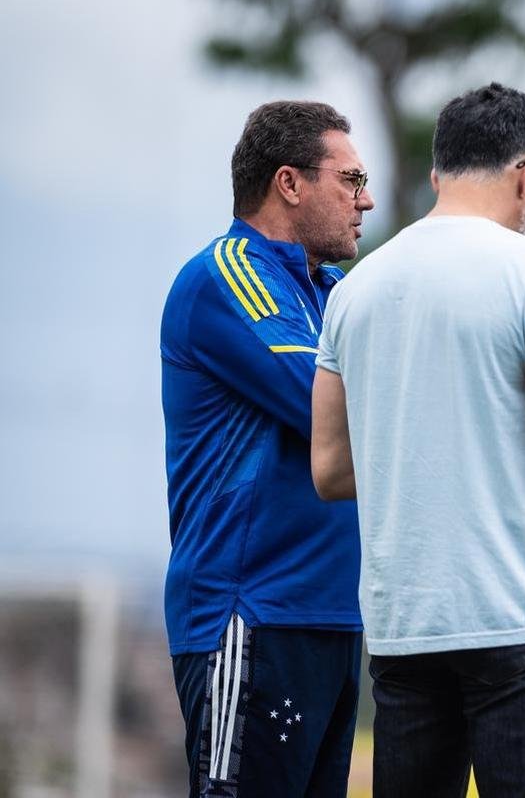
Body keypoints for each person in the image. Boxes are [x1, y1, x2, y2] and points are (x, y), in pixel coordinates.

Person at [311, 82, 525, 797]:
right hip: (519, 627)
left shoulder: (354, 289)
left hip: (403, 634)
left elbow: (329, 469)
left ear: (436, 175)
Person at [160, 100, 374, 797]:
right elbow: (327, 407)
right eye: (350, 179)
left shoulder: (333, 292)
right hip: (251, 615)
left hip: (335, 618)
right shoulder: (227, 277)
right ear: (289, 183)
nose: (364, 198)